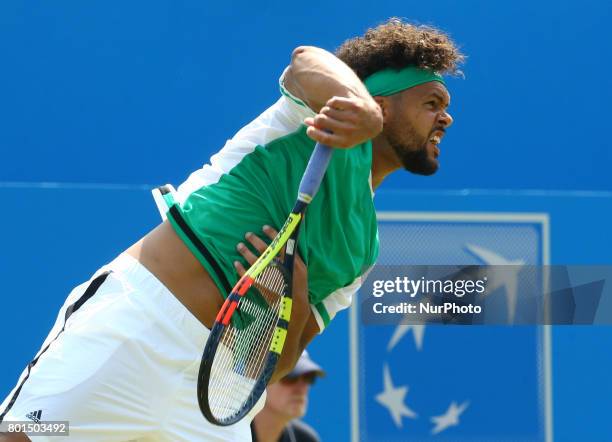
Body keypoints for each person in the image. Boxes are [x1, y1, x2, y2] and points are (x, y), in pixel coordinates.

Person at [0, 18, 463, 441]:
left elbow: (277, 366)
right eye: (431, 102)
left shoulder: (363, 249)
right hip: (132, 331)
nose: (446, 117)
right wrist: (361, 111)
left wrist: (292, 303)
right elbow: (306, 59)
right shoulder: (305, 121)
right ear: (380, 100)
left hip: (213, 398)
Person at [251, 351, 324, 442]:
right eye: (289, 376)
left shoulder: (307, 440)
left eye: (308, 377)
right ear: (258, 379)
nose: (302, 388)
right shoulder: (229, 434)